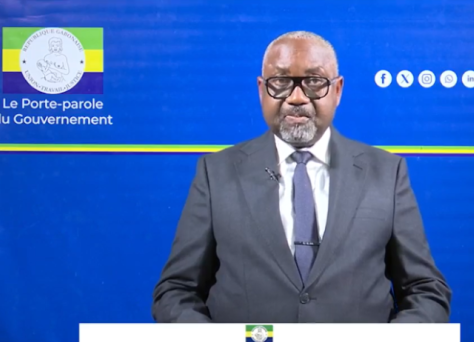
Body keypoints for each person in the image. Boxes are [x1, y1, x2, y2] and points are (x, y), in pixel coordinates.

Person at [152, 31, 451, 323]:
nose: (296, 97)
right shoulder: (215, 172)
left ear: (337, 90)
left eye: (314, 82)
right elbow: (176, 291)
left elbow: (426, 291)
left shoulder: (387, 172)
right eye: (280, 82)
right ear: (261, 89)